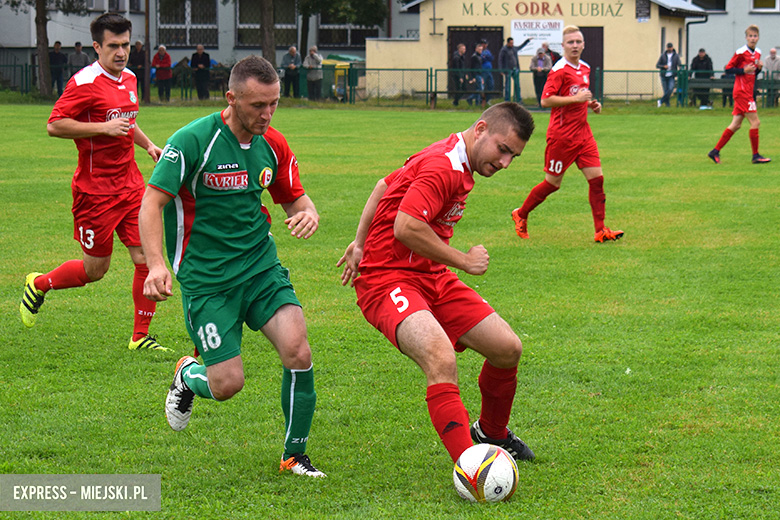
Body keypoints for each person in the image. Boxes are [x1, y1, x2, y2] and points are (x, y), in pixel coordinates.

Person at [139, 55, 326, 477]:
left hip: (260, 267)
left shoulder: (273, 143)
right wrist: (156, 265)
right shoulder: (192, 140)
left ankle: (294, 455)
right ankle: (188, 375)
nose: (267, 113)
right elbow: (152, 203)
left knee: (298, 350)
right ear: (231, 98)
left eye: (274, 103)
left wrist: (309, 212)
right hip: (208, 282)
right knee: (227, 385)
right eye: (258, 105)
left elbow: (295, 196)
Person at [337, 102, 537, 466]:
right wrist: (463, 260)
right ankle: (470, 466)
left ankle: (492, 433)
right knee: (440, 358)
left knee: (507, 348)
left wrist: (360, 240)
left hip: (431, 275)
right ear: (480, 130)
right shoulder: (442, 167)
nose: (506, 163)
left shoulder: (454, 156)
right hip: (387, 278)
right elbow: (406, 227)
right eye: (503, 149)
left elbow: (385, 184)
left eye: (514, 157)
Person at [20, 13, 165, 351]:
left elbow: (127, 121)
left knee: (144, 255)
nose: (121, 52)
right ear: (97, 46)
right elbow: (55, 125)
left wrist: (148, 145)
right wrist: (101, 128)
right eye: (113, 46)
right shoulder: (84, 82)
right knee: (95, 270)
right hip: (94, 191)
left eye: (126, 45)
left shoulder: (128, 78)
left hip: (130, 185)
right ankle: (39, 284)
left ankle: (139, 337)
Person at [511, 25, 624, 243]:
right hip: (562, 137)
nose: (574, 45)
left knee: (597, 180)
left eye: (578, 42)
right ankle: (521, 214)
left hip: (583, 135)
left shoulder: (585, 68)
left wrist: (591, 104)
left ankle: (600, 230)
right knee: (552, 184)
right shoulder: (559, 70)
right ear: (563, 46)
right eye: (570, 42)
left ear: (583, 44)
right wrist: (576, 99)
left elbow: (579, 97)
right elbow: (545, 100)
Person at [708, 25, 771, 164]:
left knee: (736, 125)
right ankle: (755, 156)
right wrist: (743, 70)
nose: (753, 38)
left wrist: (759, 68)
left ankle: (715, 151)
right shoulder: (741, 52)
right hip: (742, 92)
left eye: (755, 36)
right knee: (755, 122)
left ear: (758, 37)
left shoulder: (758, 52)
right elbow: (728, 69)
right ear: (746, 37)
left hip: (747, 91)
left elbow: (753, 73)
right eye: (750, 36)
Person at [656, 42, 680, 107]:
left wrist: (680, 70)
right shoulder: (663, 55)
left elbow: (679, 64)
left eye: (670, 47)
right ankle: (667, 105)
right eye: (668, 47)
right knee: (666, 91)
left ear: (672, 47)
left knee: (670, 89)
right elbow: (657, 65)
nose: (669, 48)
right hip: (663, 75)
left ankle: (660, 101)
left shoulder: (676, 56)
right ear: (667, 48)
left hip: (671, 75)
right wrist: (663, 66)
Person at [498, 37, 519, 102]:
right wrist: (501, 70)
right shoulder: (504, 50)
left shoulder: (514, 49)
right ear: (507, 43)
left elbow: (520, 47)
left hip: (515, 69)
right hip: (508, 70)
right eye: (510, 43)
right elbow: (500, 60)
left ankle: (518, 99)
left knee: (517, 85)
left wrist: (527, 41)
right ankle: (507, 100)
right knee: (507, 86)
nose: (512, 44)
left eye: (512, 43)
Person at [480, 39, 495, 103]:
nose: (485, 45)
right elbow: (482, 59)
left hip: (489, 71)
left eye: (486, 44)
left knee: (491, 85)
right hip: (483, 71)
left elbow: (491, 58)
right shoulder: (480, 51)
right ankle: (481, 101)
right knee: (482, 86)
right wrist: (486, 57)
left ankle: (487, 100)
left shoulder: (487, 51)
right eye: (484, 44)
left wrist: (486, 57)